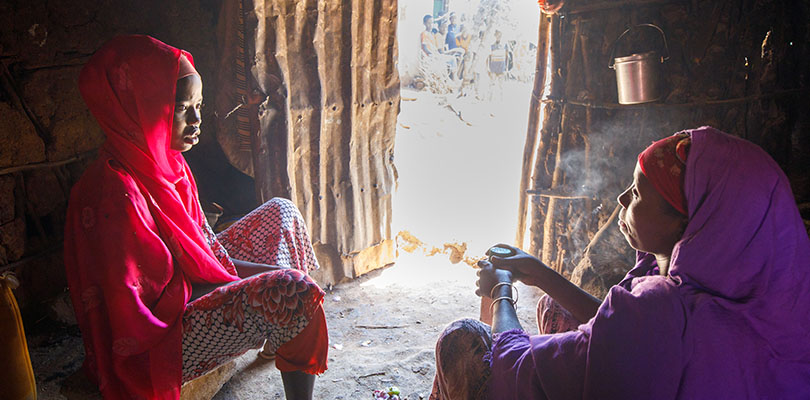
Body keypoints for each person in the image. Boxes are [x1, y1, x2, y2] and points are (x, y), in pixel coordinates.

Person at [430, 126, 810, 399]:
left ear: (688, 221)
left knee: (461, 340)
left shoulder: (661, 307)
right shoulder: (772, 301)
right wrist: (540, 274)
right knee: (554, 305)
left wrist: (502, 290)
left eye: (639, 193)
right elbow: (624, 334)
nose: (622, 200)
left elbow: (513, 366)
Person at [64, 35, 328, 400]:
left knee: (282, 212)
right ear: (135, 106)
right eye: (181, 108)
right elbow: (160, 304)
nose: (197, 119)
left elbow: (205, 254)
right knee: (294, 292)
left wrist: (254, 277)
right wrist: (268, 281)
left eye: (198, 105)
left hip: (189, 290)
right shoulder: (115, 191)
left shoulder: (168, 163)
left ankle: (283, 337)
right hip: (159, 340)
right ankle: (291, 343)